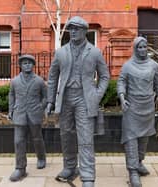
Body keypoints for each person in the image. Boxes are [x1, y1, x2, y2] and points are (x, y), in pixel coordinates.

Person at [46, 16, 110, 187]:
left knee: (85, 136)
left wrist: (97, 95)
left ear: (84, 31)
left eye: (76, 29)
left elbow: (105, 76)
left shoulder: (95, 52)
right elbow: (52, 78)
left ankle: (88, 175)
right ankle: (69, 167)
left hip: (85, 98)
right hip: (65, 97)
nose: (72, 32)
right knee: (66, 135)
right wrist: (50, 101)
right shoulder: (61, 52)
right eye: (70, 29)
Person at [117, 36, 158, 187]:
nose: (143, 50)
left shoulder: (154, 66)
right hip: (132, 107)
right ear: (135, 48)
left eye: (145, 47)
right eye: (139, 47)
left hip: (148, 107)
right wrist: (122, 96)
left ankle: (138, 162)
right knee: (131, 137)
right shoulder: (127, 66)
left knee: (144, 138)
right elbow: (121, 82)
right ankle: (132, 171)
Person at [8, 54, 47, 182]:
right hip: (19, 114)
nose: (27, 65)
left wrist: (40, 107)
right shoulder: (15, 81)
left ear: (33, 65)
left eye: (29, 63)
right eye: (24, 63)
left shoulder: (39, 81)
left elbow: (45, 97)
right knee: (19, 141)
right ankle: (20, 168)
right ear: (20, 65)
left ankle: (41, 158)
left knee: (37, 138)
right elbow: (12, 96)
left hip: (34, 114)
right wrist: (11, 110)